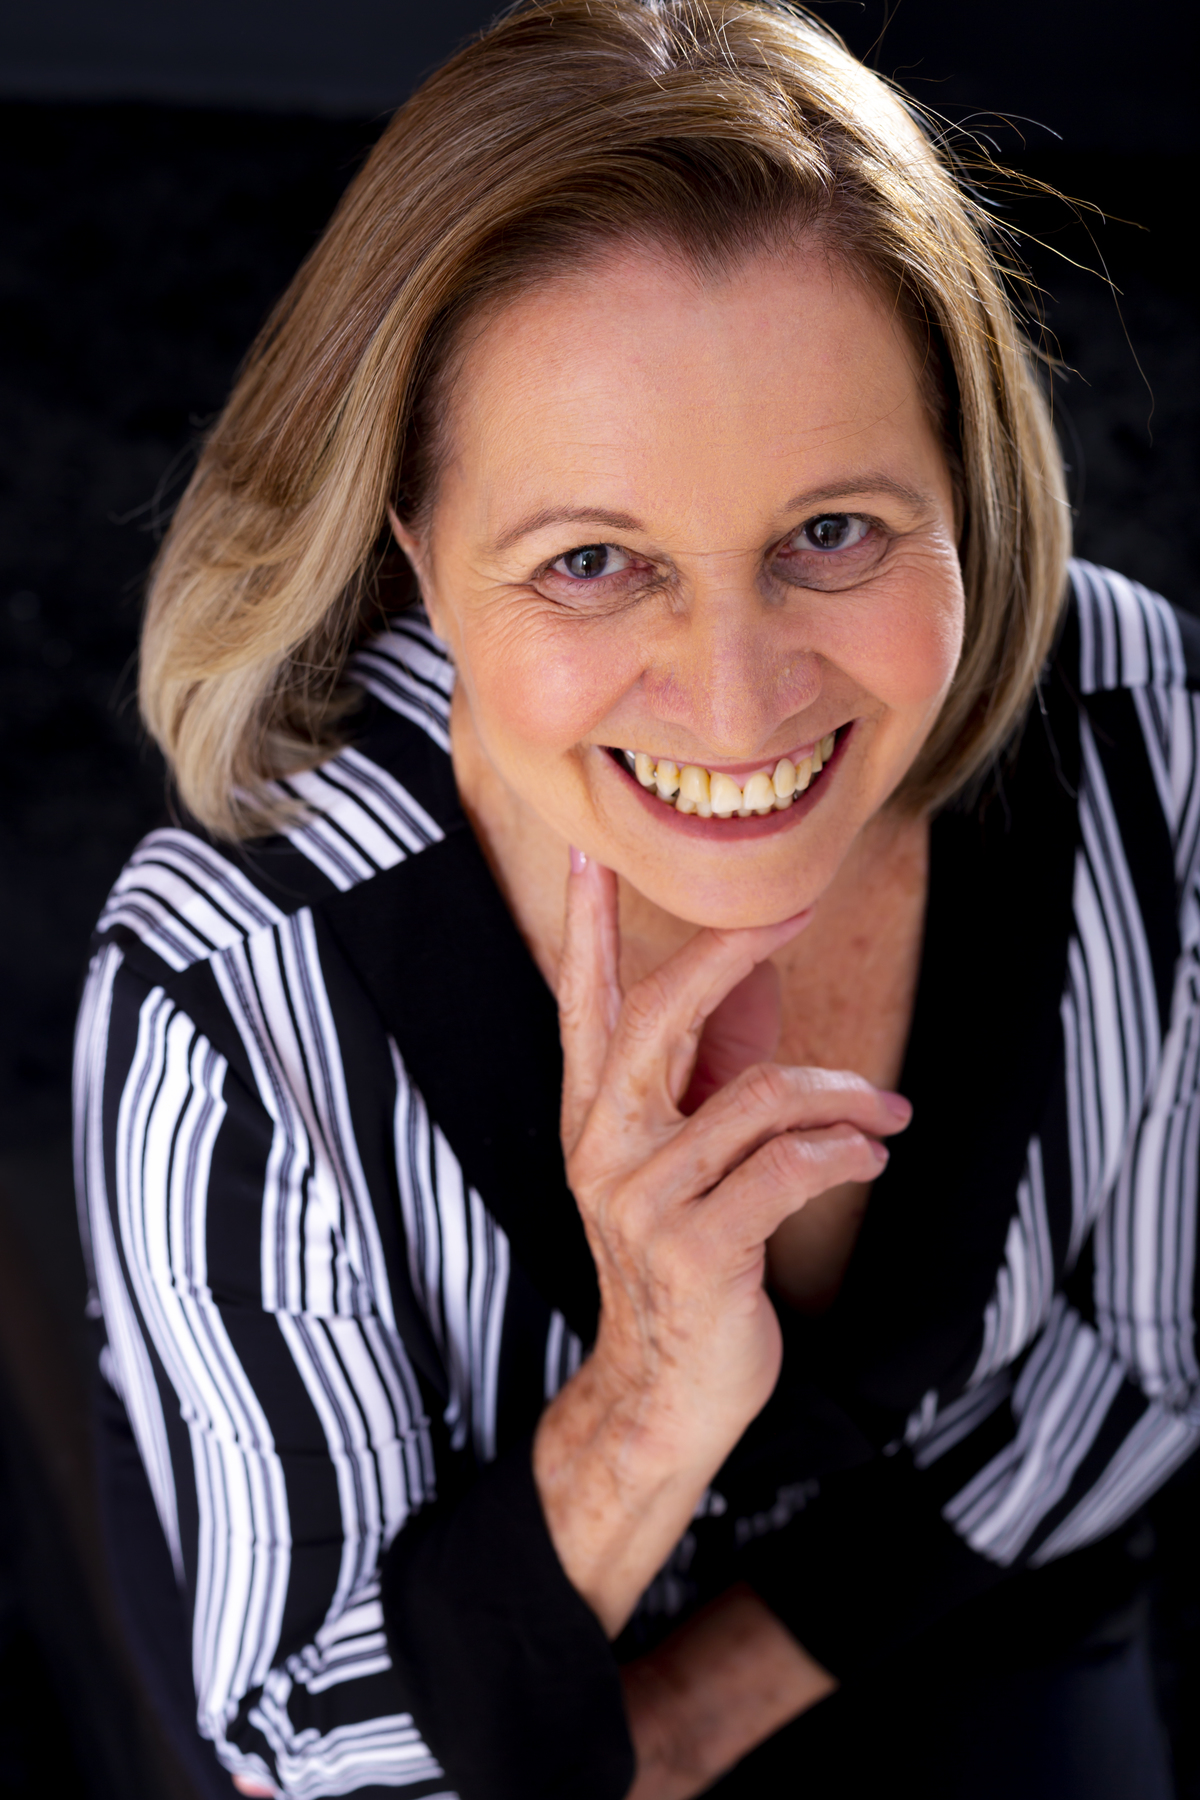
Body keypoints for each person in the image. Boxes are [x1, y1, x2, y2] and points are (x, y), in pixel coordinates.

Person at [73, 2, 1199, 1796]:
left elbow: (1138, 1365)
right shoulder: (237, 985)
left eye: (832, 532)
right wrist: (653, 1389)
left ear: (965, 487)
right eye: (593, 561)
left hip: (973, 1617)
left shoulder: (1148, 731)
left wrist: (681, 1723)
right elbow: (306, 1731)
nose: (741, 706)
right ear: (411, 548)